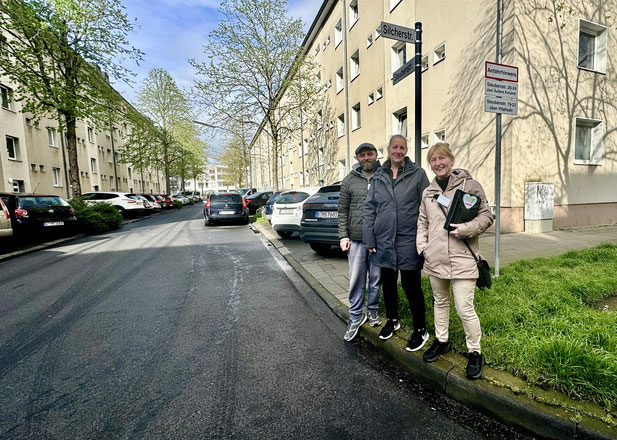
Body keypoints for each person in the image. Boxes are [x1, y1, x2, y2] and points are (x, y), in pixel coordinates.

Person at [416, 142, 493, 380]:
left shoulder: (470, 186)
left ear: (451, 160)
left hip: (462, 258)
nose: (438, 163)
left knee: (464, 308)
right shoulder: (428, 193)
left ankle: (475, 352)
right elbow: (422, 222)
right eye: (433, 160)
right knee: (440, 302)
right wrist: (422, 247)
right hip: (435, 258)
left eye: (442, 159)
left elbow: (487, 215)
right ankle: (442, 340)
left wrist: (467, 229)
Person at [363, 134, 430, 351]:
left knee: (412, 286)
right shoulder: (378, 177)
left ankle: (421, 328)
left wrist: (427, 237)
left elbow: (428, 204)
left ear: (406, 150)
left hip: (408, 239)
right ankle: (393, 320)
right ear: (388, 149)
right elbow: (369, 209)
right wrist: (369, 237)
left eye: (402, 147)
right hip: (383, 240)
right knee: (389, 284)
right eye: (395, 147)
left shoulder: (417, 174)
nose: (398, 151)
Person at [339, 143, 382, 342]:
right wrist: (343, 236)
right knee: (356, 279)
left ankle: (372, 308)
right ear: (357, 157)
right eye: (362, 154)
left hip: (379, 239)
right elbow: (342, 211)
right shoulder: (348, 181)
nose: (367, 157)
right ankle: (356, 315)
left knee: (375, 278)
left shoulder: (385, 176)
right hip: (355, 239)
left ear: (375, 155)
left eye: (370, 154)